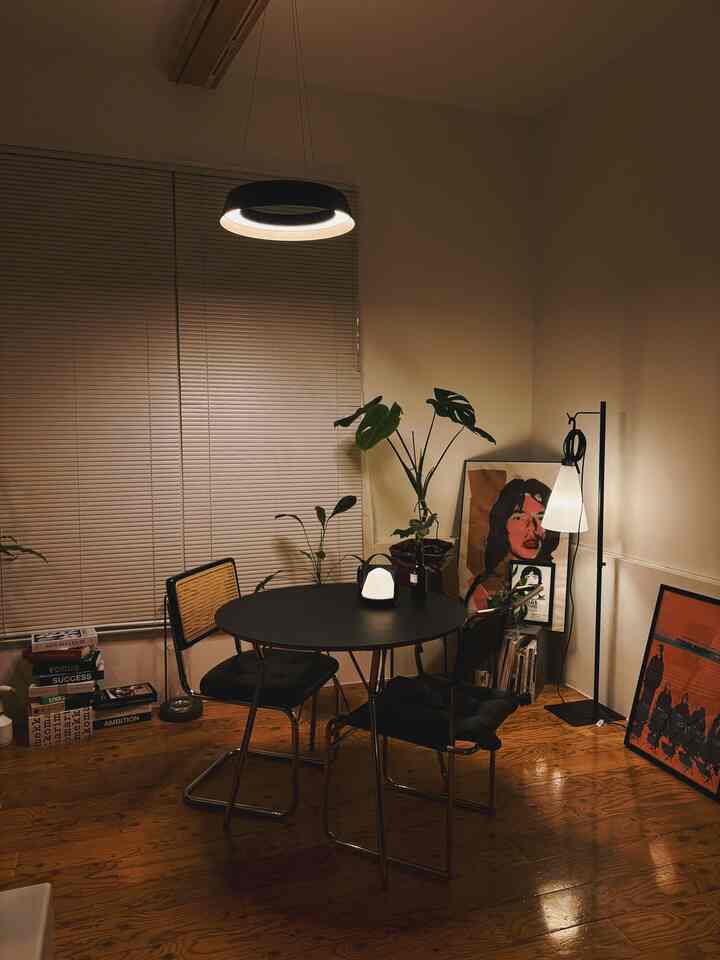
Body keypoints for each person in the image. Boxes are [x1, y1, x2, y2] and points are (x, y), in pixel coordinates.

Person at [464, 478, 559, 611]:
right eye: (520, 517)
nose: (533, 529)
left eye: (541, 517)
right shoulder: (478, 588)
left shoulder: (556, 585)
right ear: (502, 523)